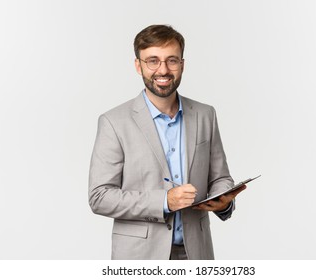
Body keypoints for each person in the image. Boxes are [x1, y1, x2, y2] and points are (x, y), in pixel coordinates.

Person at [88, 24, 246, 260]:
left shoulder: (205, 115)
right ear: (138, 65)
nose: (163, 70)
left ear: (182, 65)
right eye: (153, 60)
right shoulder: (113, 122)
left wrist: (222, 201)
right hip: (139, 258)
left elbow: (220, 178)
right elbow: (99, 197)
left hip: (197, 254)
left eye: (171, 60)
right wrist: (164, 201)